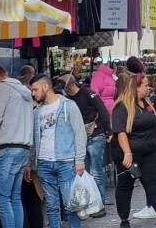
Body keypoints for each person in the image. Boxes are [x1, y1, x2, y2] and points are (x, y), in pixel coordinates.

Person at [112, 74, 156, 228]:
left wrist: (155, 144)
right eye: (145, 85)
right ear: (135, 88)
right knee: (126, 185)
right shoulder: (121, 107)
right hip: (130, 153)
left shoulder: (147, 103)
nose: (148, 88)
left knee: (152, 182)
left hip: (150, 150)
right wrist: (127, 153)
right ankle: (124, 220)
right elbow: (121, 132)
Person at [24, 76, 86, 228]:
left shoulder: (68, 106)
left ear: (46, 87)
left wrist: (79, 160)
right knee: (51, 207)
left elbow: (80, 133)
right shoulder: (36, 112)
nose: (33, 93)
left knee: (70, 205)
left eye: (35, 89)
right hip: (44, 163)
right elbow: (33, 140)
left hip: (65, 161)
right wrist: (29, 163)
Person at [0, 64, 35, 228]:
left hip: (8, 149)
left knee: (2, 200)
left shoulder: (2, 87)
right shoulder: (24, 91)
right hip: (23, 149)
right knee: (15, 198)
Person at [59, 74, 111, 212]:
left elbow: (102, 109)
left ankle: (99, 204)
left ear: (69, 86)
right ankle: (91, 202)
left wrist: (108, 130)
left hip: (95, 134)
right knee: (85, 171)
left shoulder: (88, 93)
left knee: (95, 170)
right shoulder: (67, 99)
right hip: (80, 138)